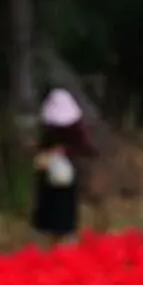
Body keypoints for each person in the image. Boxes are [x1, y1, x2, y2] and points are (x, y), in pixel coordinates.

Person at [31, 88, 93, 243]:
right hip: (48, 177)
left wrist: (65, 151)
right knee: (47, 208)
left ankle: (65, 236)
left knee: (65, 210)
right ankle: (48, 234)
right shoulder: (49, 129)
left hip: (67, 176)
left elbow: (86, 149)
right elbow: (42, 147)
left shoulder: (76, 130)